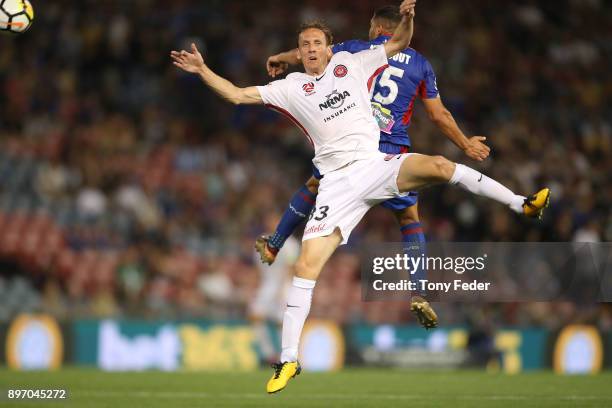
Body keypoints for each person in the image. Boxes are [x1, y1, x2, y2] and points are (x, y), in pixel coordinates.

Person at [171, 0, 549, 393]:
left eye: (317, 41)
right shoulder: (289, 88)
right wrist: (202, 70)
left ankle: (521, 203)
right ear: (298, 52)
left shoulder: (353, 62)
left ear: (329, 46)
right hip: (337, 184)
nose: (312, 48)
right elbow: (235, 95)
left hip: (376, 164)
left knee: (438, 165)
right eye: (305, 44)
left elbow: (400, 41)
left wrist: (408, 18)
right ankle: (287, 361)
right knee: (305, 269)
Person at [256, 5, 491, 329]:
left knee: (314, 186)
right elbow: (439, 116)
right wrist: (465, 144)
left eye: (370, 25)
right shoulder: (421, 63)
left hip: (355, 143)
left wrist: (283, 56)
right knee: (409, 218)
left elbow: (312, 54)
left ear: (379, 26)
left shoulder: (355, 49)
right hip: (393, 149)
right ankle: (419, 291)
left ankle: (275, 244)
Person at [249, 214, 300, 365]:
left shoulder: (290, 243)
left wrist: (283, 289)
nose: (272, 222)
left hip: (284, 284)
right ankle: (267, 354)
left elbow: (290, 268)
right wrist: (255, 287)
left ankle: (285, 356)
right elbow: (258, 268)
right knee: (255, 316)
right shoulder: (262, 240)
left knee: (281, 321)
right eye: (270, 220)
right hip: (267, 284)